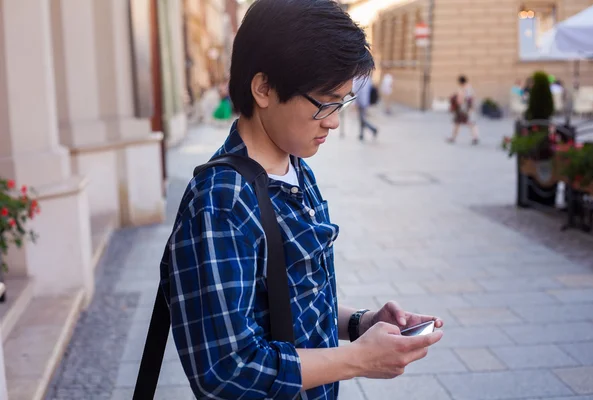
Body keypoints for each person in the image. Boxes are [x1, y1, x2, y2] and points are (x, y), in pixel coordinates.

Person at [161, 1, 444, 399]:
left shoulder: (295, 167)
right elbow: (227, 370)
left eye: (342, 102)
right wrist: (359, 359)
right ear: (263, 88)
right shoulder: (222, 200)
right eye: (325, 102)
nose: (333, 120)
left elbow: (292, 302)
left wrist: (359, 325)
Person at [448, 75, 480, 145]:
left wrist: (469, 109)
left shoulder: (467, 88)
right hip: (463, 109)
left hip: (465, 109)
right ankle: (474, 137)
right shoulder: (466, 88)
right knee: (461, 123)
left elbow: (469, 99)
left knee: (468, 123)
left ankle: (475, 138)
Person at [353, 74, 379, 141]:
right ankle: (361, 134)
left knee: (362, 119)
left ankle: (373, 129)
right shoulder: (368, 79)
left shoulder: (358, 79)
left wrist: (354, 103)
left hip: (361, 102)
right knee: (362, 118)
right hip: (365, 102)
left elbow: (355, 92)